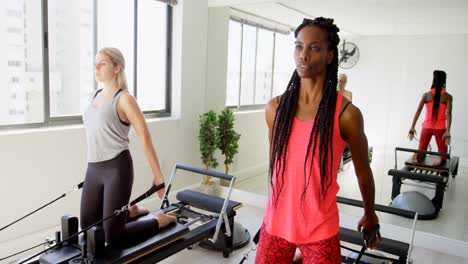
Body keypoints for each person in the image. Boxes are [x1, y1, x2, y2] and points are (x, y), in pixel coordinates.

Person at [256, 17, 380, 264]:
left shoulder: (347, 115)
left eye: (314, 48)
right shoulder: (275, 108)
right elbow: (278, 168)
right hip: (276, 224)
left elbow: (363, 171)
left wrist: (370, 214)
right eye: (299, 46)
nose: (303, 55)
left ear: (330, 55)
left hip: (319, 229)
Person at [81, 47, 176, 247]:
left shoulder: (124, 99)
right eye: (95, 63)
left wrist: (158, 176)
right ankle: (130, 212)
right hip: (94, 168)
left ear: (117, 68)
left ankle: (158, 221)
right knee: (88, 228)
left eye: (103, 63)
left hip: (117, 168)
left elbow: (145, 137)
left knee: (113, 236)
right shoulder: (94, 96)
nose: (96, 67)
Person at [408, 70, 452, 165]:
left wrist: (412, 127)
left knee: (421, 153)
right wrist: (448, 131)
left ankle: (417, 155)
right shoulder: (447, 97)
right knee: (444, 156)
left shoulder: (426, 95)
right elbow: (449, 113)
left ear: (433, 80)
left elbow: (418, 111)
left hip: (426, 128)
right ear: (444, 81)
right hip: (440, 129)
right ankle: (441, 158)